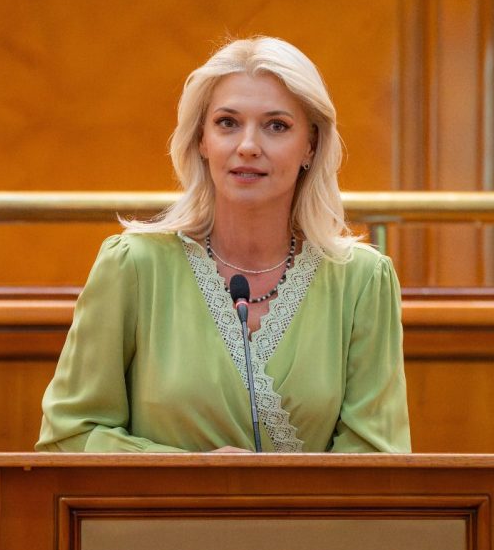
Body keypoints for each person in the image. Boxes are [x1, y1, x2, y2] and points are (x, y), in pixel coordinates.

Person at [35, 37, 410, 453]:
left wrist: (276, 490)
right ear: (202, 140)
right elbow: (70, 435)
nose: (247, 146)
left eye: (276, 126)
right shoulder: (134, 266)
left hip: (314, 504)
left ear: (311, 145)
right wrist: (196, 474)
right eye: (227, 123)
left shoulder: (361, 281)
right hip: (161, 501)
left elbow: (378, 457)